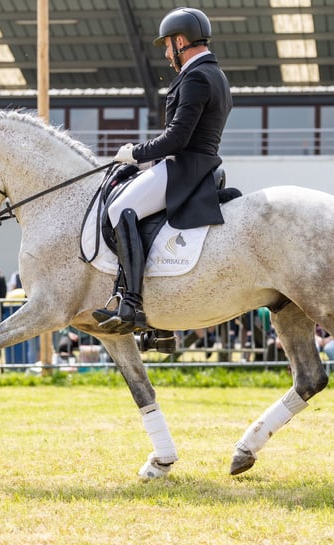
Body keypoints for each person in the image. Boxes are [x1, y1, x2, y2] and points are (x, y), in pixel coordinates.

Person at [92, 7, 233, 334]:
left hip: (185, 167)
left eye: (169, 46)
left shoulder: (196, 77)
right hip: (200, 164)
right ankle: (163, 326)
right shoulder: (216, 74)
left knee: (118, 208)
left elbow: (177, 138)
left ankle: (132, 303)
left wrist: (134, 153)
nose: (168, 55)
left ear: (181, 41)